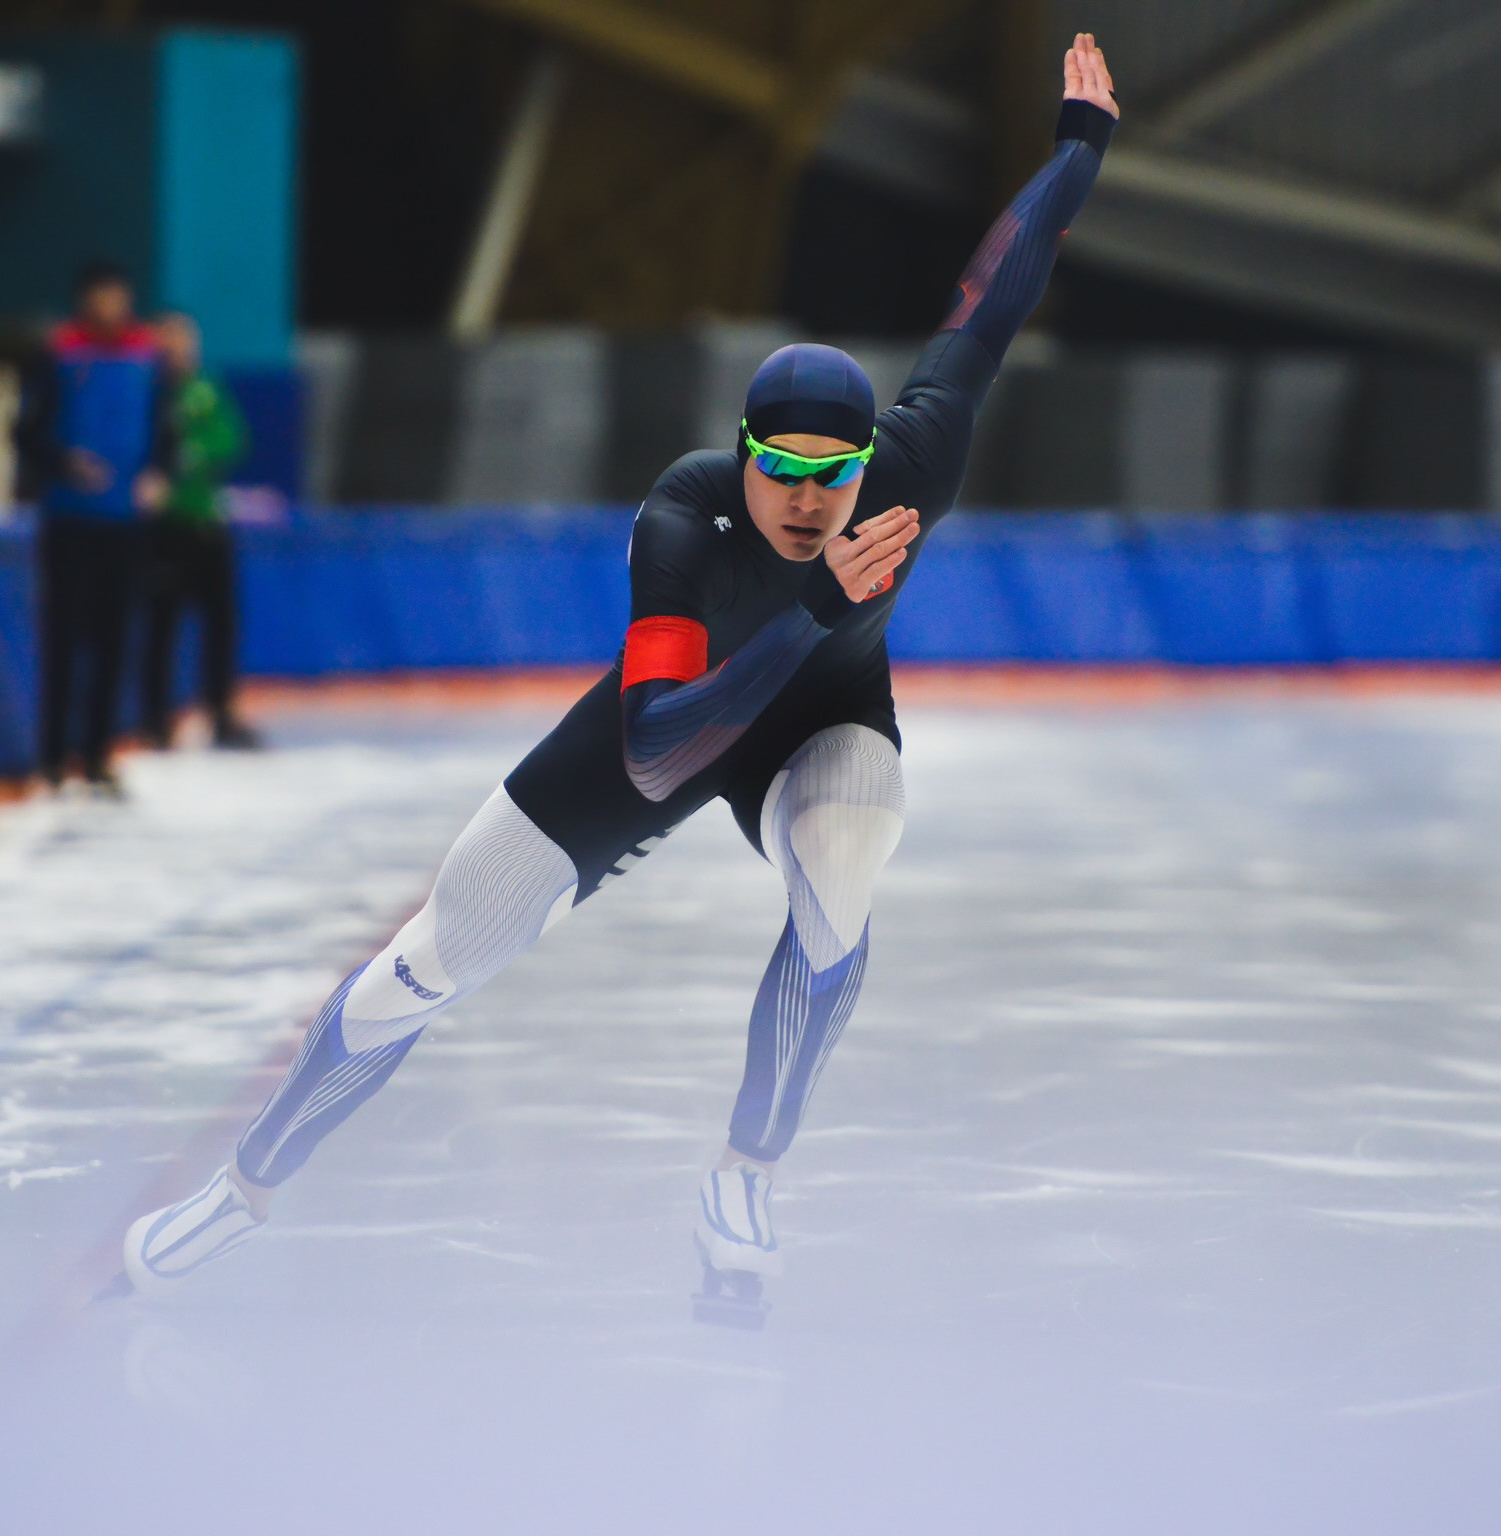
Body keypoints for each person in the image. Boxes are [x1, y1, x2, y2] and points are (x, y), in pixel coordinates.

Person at [122, 37, 1119, 1291]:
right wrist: (813, 604)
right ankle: (242, 1189)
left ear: (876, 463)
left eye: (836, 476)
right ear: (741, 451)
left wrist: (1079, 149)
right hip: (671, 721)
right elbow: (656, 750)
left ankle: (744, 1179)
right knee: (425, 965)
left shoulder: (914, 466)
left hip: (822, 720)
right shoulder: (684, 520)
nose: (810, 500)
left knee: (846, 867)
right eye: (785, 470)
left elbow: (993, 301)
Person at [13, 260, 173, 793]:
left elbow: (165, 430)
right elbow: (25, 431)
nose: (110, 306)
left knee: (113, 639)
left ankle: (99, 753)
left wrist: (157, 475)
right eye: (100, 296)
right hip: (68, 519)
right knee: (62, 640)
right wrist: (62, 464)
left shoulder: (148, 356)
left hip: (124, 521)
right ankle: (55, 756)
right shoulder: (57, 352)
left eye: (118, 295)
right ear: (85, 299)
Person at [140, 313, 261, 751]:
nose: (177, 348)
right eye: (168, 340)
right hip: (163, 527)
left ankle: (220, 712)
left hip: (204, 522)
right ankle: (156, 719)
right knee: (161, 624)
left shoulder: (205, 387)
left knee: (221, 622)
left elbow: (233, 438)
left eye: (184, 340)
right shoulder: (148, 391)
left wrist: (192, 451)